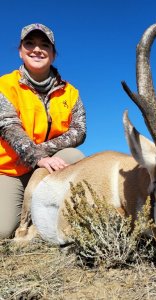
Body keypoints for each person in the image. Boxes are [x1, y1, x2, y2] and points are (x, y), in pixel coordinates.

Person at [0, 23, 86, 239]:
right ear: (20, 51)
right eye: (29, 43)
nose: (37, 49)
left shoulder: (71, 93)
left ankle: (61, 221)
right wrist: (37, 156)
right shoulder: (5, 86)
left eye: (44, 45)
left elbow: (79, 131)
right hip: (11, 169)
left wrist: (42, 153)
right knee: (3, 230)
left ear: (53, 54)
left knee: (74, 156)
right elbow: (8, 126)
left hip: (50, 163)